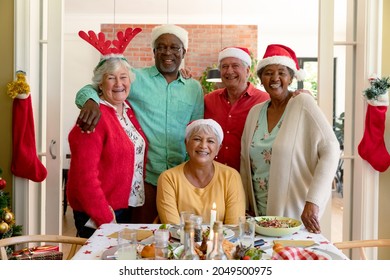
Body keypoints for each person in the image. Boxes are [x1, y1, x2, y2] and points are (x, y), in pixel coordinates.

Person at [74, 24, 204, 223]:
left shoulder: (194, 88)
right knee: (141, 240)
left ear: (183, 52)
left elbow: (196, 130)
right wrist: (91, 101)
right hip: (145, 180)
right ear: (153, 51)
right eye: (161, 47)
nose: (167, 52)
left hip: (180, 179)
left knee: (178, 238)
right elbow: (94, 87)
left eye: (174, 48)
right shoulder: (135, 78)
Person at [240, 44, 340, 234]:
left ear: (291, 77)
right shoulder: (255, 112)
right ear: (261, 79)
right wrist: (246, 204)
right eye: (268, 73)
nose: (275, 78)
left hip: (293, 211)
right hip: (258, 213)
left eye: (281, 72)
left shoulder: (303, 103)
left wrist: (314, 201)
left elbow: (331, 148)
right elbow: (245, 162)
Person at [67, 39, 148, 237]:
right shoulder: (93, 117)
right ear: (100, 84)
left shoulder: (128, 112)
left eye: (123, 77)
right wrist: (105, 217)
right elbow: (84, 177)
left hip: (124, 206)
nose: (119, 83)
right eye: (111, 78)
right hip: (100, 211)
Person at [157, 119, 245, 225]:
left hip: (222, 241)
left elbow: (234, 227)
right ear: (186, 143)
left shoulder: (231, 176)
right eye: (197, 139)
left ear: (218, 148)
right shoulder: (168, 178)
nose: (203, 146)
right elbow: (173, 227)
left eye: (210, 141)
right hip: (181, 240)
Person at [204, 47, 269, 172]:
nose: (229, 71)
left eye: (235, 66)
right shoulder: (209, 100)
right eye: (224, 66)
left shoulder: (265, 101)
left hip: (249, 177)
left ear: (247, 71)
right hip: (213, 175)